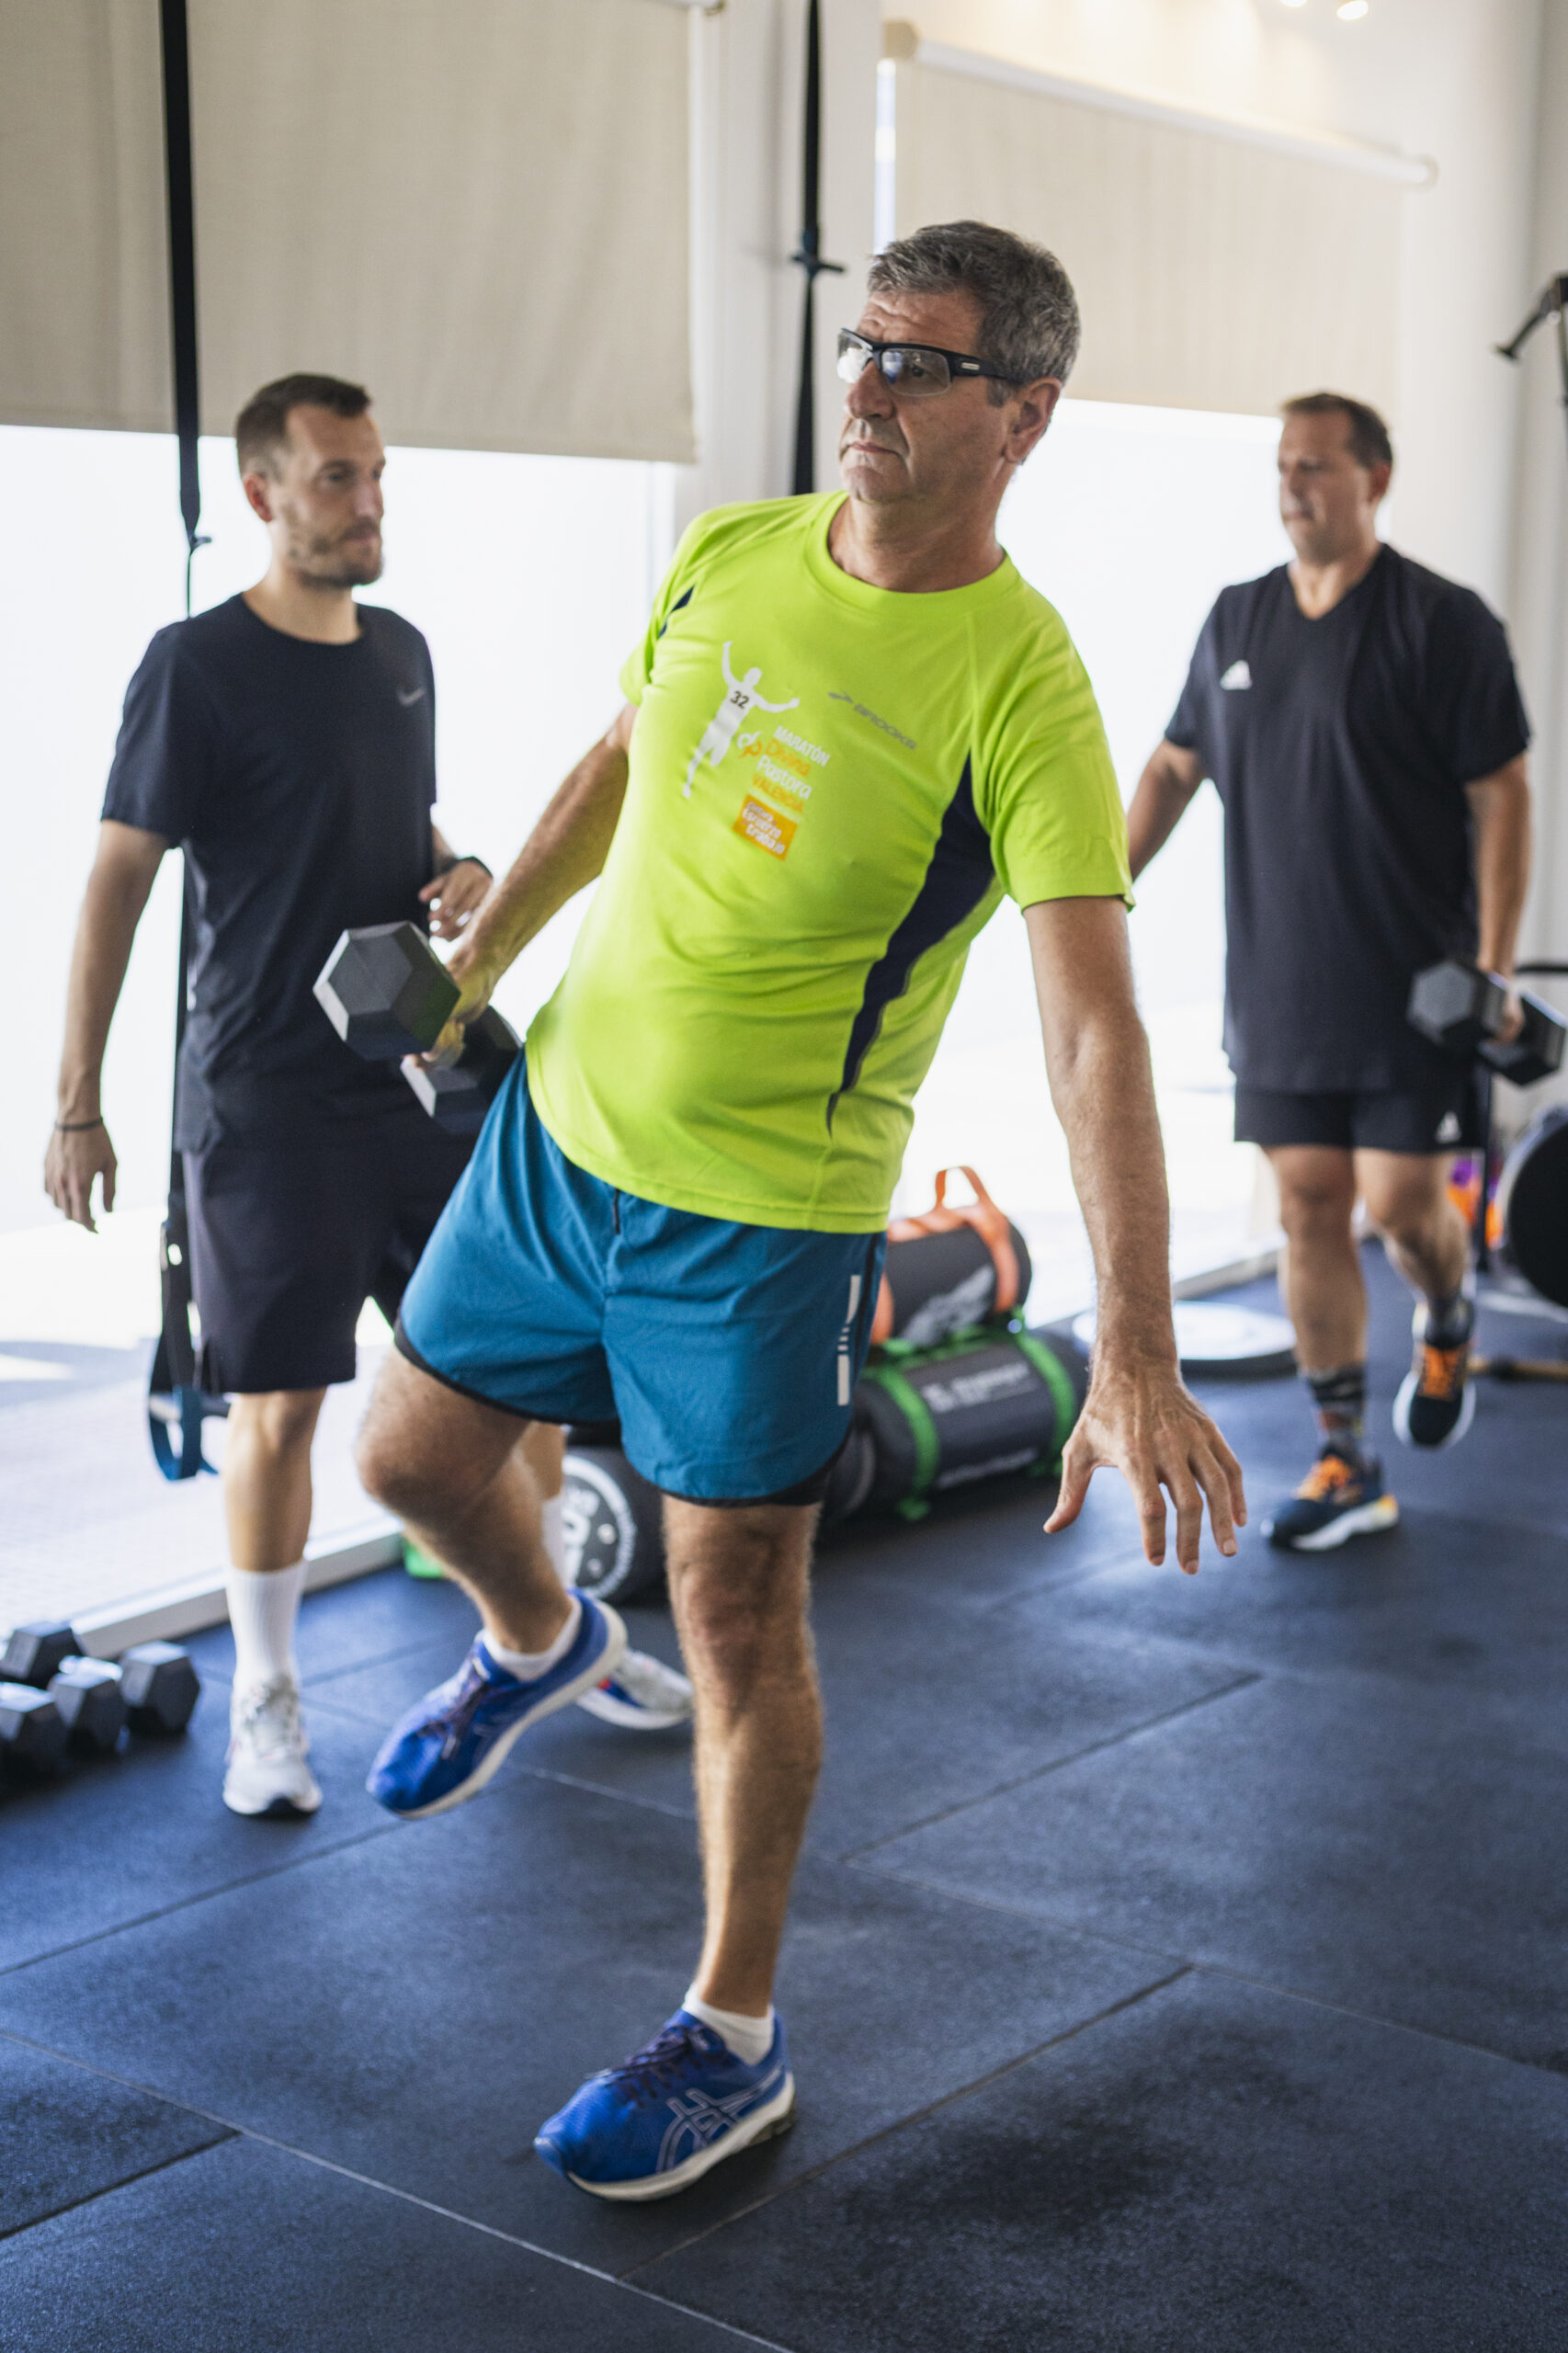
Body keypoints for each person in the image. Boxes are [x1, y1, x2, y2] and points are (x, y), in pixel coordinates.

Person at [350, 220, 1245, 2202]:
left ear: (1021, 412)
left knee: (739, 1610)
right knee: (408, 1453)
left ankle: (730, 2032)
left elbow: (1091, 1025)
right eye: (858, 346)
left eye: (915, 365)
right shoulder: (738, 547)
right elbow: (613, 763)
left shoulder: (1023, 688)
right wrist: (474, 969)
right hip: (555, 1133)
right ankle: (533, 1634)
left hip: (758, 1219)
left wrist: (1136, 1340)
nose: (862, 389)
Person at [43, 372, 690, 1819]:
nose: (367, 503)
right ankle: (267, 1702)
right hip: (265, 1101)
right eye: (336, 479)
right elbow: (116, 878)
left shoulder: (400, 651)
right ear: (262, 495)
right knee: (277, 1409)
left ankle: (537, 1644)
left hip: (421, 1078)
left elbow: (400, 829)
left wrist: (458, 874)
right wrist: (76, 1100)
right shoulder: (192, 667)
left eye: (376, 474)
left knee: (508, 1383)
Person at [1127, 392, 1532, 1552]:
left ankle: (1445, 1311)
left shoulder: (1439, 623)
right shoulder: (1236, 617)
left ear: (1375, 479)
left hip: (1416, 985)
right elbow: (1171, 763)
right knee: (1308, 1205)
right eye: (1281, 466)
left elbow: (1499, 792)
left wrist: (1493, 966)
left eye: (1315, 466)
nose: (1293, 485)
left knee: (1402, 1206)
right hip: (1279, 982)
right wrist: (1100, 885)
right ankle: (1345, 1460)